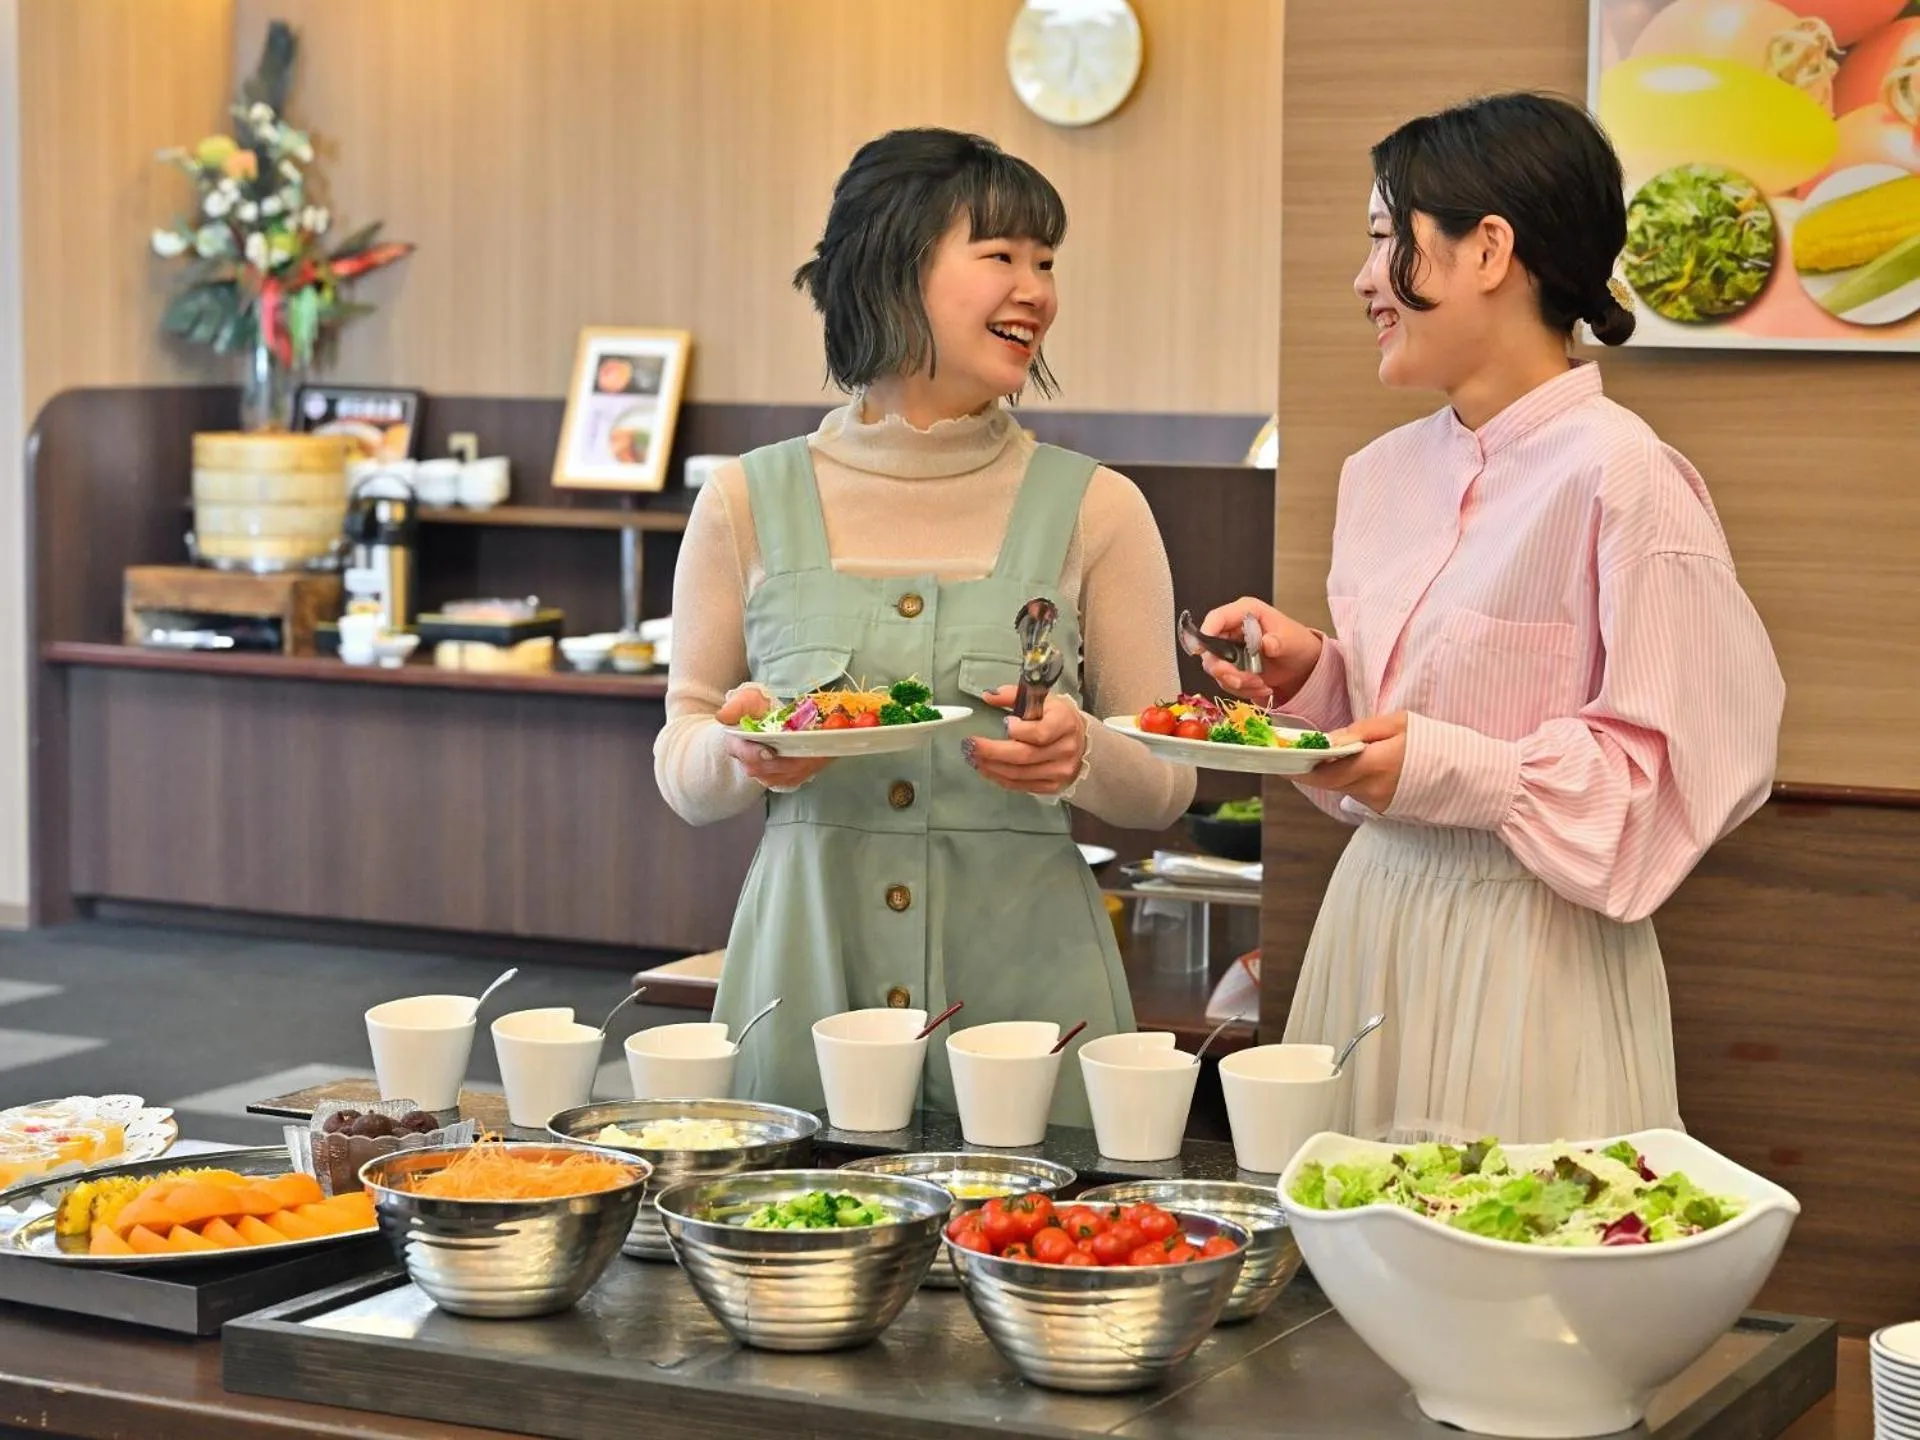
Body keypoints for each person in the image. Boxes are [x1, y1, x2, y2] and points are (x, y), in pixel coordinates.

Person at [1199, 92, 1784, 1146]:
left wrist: (1461, 769)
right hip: (1371, 920)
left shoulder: (1627, 478)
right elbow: (1411, 724)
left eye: (1386, 239)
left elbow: (1684, 772)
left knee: (1520, 1265)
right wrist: (1318, 680)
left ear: (1488, 250)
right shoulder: (1378, 477)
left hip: (1533, 949)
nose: (1364, 278)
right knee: (1351, 1265)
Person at [655, 127, 1194, 1126]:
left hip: (1029, 1000)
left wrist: (1082, 755)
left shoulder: (1098, 507)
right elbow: (681, 757)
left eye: (1046, 262)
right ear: (892, 266)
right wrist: (740, 748)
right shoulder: (743, 501)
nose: (1035, 289)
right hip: (807, 983)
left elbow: (1166, 783)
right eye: (1000, 257)